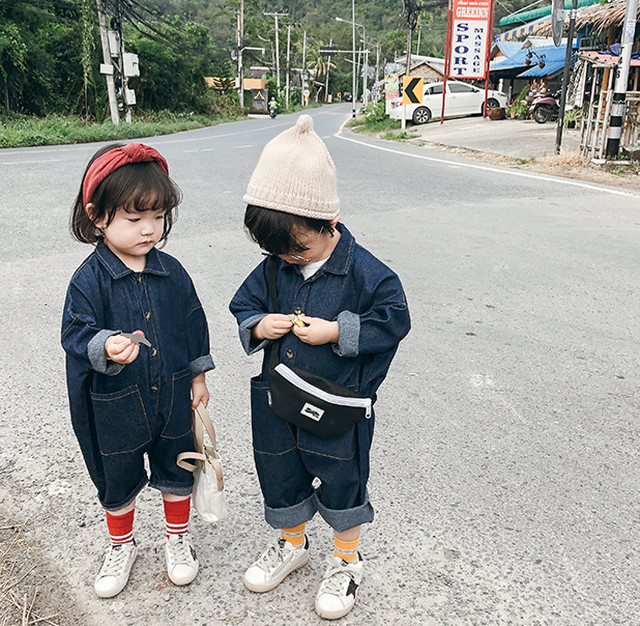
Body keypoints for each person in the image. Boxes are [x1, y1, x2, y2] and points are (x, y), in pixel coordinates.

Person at [229, 115, 411, 620]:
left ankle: (347, 559)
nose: (287, 257)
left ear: (329, 223)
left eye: (298, 247)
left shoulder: (368, 273)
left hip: (336, 405)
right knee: (279, 469)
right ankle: (292, 542)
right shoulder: (275, 263)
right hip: (277, 396)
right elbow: (243, 304)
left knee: (341, 476)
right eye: (276, 250)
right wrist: (260, 323)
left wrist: (336, 332)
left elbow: (395, 321)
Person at [61, 142, 215, 598]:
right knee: (117, 476)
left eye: (158, 216)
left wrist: (197, 375)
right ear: (97, 216)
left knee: (177, 465)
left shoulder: (173, 272)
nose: (150, 229)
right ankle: (121, 544)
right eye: (134, 218)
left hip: (169, 394)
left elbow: (193, 323)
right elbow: (74, 331)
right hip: (115, 404)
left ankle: (177, 539)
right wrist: (103, 343)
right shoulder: (88, 280)